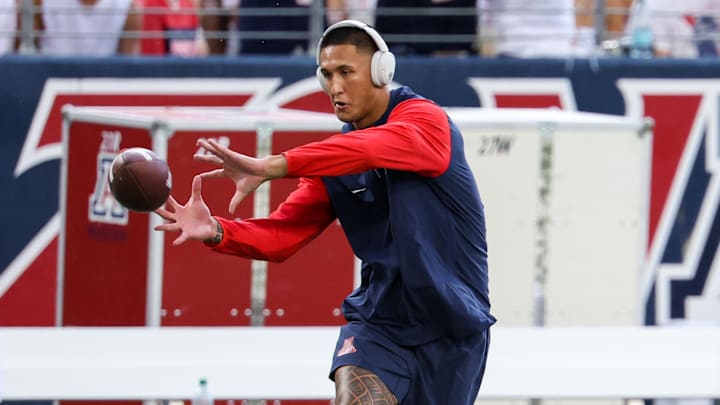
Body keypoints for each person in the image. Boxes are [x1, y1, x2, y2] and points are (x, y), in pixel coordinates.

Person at [155, 19, 495, 405]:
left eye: (347, 72)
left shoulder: (425, 121)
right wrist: (217, 230)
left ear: (382, 72)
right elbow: (281, 235)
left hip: (452, 327)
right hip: (379, 324)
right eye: (327, 74)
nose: (335, 87)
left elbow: (368, 149)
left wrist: (272, 166)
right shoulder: (336, 157)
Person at [31, 0, 141, 56]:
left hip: (102, 88)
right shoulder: (39, 2)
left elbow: (128, 68)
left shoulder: (128, 8)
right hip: (48, 81)